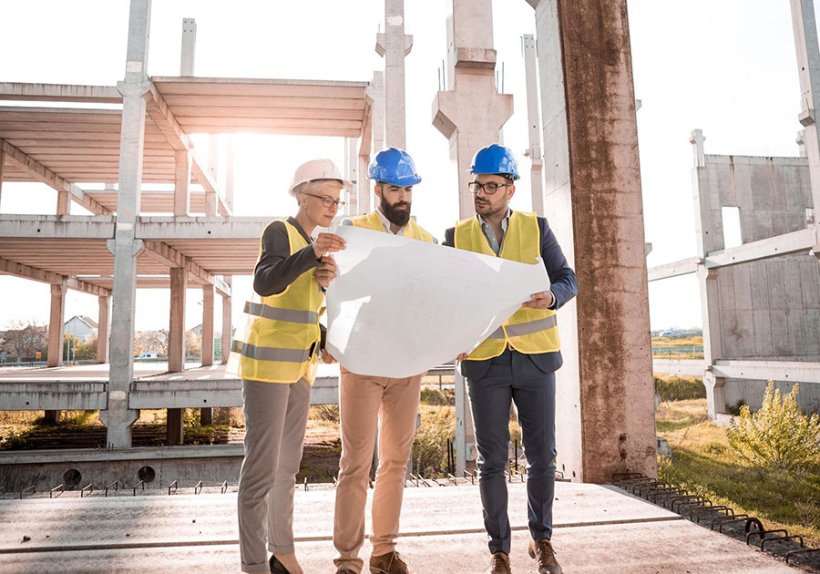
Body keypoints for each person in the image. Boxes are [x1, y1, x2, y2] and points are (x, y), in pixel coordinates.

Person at [443, 144, 577, 574]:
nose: (480, 193)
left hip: (535, 359)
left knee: (542, 457)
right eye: (476, 185)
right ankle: (499, 551)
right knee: (492, 461)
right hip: (485, 362)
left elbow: (567, 279)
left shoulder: (536, 228)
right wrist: (452, 337)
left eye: (490, 185)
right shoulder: (456, 236)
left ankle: (542, 542)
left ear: (510, 189)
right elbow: (445, 298)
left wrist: (551, 296)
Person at [229, 158, 349, 574]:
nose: (332, 206)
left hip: (300, 368)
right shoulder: (279, 230)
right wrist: (310, 256)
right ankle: (253, 565)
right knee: (261, 470)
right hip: (266, 369)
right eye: (325, 198)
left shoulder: (313, 244)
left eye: (337, 200)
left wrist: (321, 292)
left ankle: (282, 552)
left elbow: (301, 310)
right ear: (302, 195)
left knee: (286, 467)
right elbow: (266, 281)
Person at [333, 148, 435, 574]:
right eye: (395, 188)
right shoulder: (353, 231)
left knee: (395, 461)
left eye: (408, 189)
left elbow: (435, 301)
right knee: (355, 462)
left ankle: (384, 552)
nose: (403, 197)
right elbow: (333, 289)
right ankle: (348, 560)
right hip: (362, 361)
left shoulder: (427, 241)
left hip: (407, 365)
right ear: (378, 189)